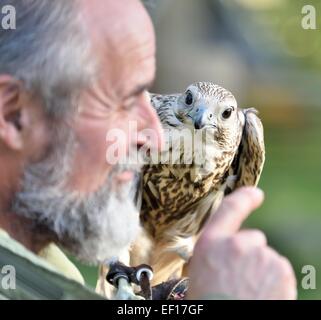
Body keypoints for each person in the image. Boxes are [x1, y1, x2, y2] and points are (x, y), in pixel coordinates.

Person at [0, 0, 296, 299]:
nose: (154, 136)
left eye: (146, 95)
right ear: (13, 113)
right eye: (125, 102)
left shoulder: (47, 273)